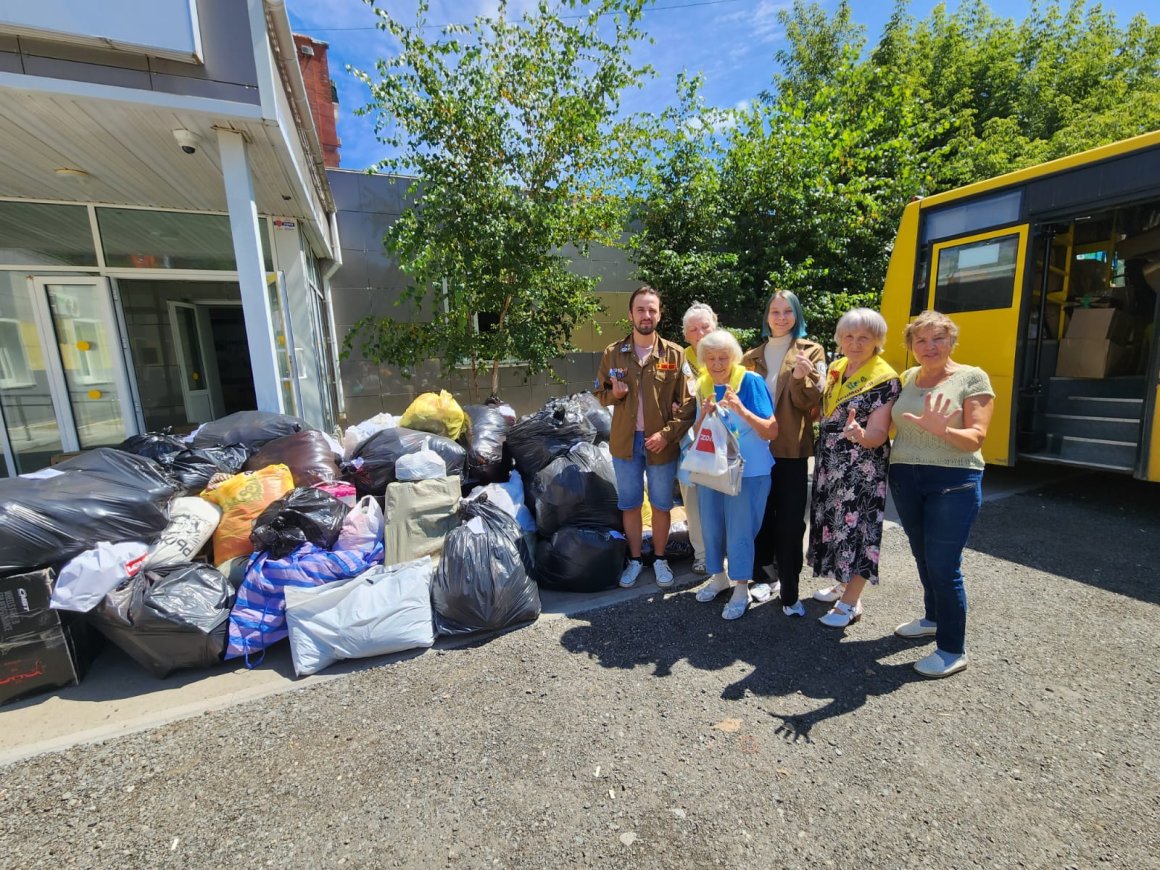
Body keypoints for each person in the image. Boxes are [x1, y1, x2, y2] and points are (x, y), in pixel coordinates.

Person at [888, 310, 994, 678]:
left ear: (952, 341)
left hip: (955, 480)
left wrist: (942, 429)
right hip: (905, 476)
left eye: (938, 339)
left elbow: (977, 438)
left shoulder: (971, 377)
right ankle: (933, 617)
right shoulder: (906, 378)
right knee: (922, 555)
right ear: (911, 346)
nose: (929, 346)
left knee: (944, 566)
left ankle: (952, 648)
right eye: (921, 340)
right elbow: (890, 425)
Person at [594, 285, 694, 589]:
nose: (646, 315)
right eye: (641, 309)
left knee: (662, 504)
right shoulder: (614, 353)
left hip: (660, 443)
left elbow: (688, 404)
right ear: (630, 314)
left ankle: (660, 559)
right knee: (630, 504)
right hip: (625, 444)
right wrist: (615, 393)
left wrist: (667, 435)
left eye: (652, 309)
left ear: (659, 314)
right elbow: (600, 393)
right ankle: (636, 560)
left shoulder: (674, 355)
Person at [808, 308, 900, 628]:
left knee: (858, 529)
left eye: (864, 337)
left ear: (878, 341)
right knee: (834, 526)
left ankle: (850, 603)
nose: (855, 343)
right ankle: (842, 583)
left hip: (861, 466)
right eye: (849, 336)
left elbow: (878, 434)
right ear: (840, 339)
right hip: (831, 462)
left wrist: (862, 435)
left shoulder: (885, 378)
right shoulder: (837, 368)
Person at [741, 289, 826, 617]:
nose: (780, 317)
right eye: (774, 312)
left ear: (796, 315)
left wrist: (802, 378)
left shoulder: (810, 351)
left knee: (791, 523)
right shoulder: (750, 356)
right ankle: (765, 577)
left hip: (791, 449)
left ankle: (790, 590)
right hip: (757, 449)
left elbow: (810, 403)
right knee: (761, 519)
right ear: (766, 317)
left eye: (787, 312)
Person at [691, 329, 778, 620]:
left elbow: (772, 430)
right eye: (711, 358)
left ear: (734, 357)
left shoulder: (750, 381)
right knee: (711, 526)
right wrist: (703, 414)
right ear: (703, 359)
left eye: (723, 358)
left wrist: (740, 408)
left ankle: (741, 587)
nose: (717, 364)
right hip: (713, 469)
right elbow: (696, 432)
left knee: (741, 532)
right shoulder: (703, 384)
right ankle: (719, 578)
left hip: (749, 471)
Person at [677, 302, 718, 575]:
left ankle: (722, 552)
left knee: (722, 496)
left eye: (705, 326)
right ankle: (702, 554)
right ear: (685, 334)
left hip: (726, 439)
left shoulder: (729, 354)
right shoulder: (680, 359)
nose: (700, 333)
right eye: (693, 329)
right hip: (690, 440)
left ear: (715, 325)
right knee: (692, 498)